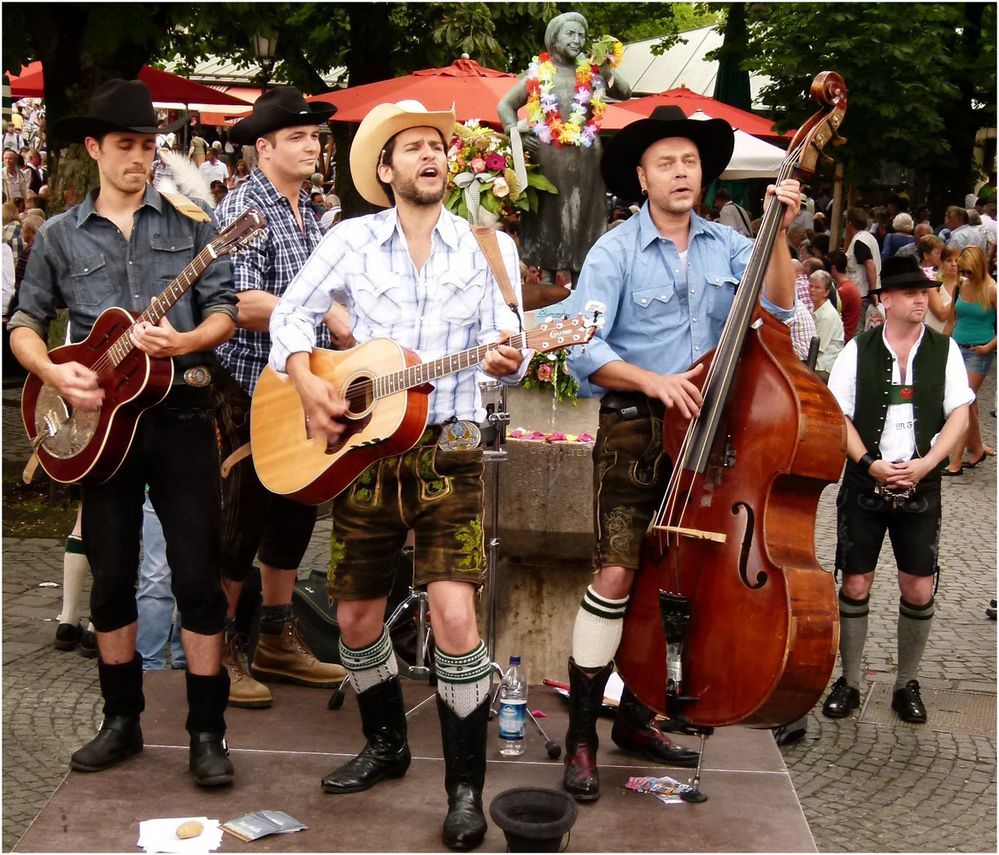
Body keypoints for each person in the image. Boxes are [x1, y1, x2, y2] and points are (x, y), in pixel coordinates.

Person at [268, 100, 527, 851]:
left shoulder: (487, 246)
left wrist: (512, 355)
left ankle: (465, 787)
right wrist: (305, 379)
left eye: (436, 148)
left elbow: (508, 343)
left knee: (453, 616)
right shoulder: (349, 239)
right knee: (353, 619)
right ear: (385, 170)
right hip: (363, 453)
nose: (428, 157)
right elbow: (291, 315)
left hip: (447, 446)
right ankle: (386, 743)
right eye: (412, 148)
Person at [563, 105, 802, 801]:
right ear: (640, 176)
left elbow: (779, 312)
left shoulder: (729, 243)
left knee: (690, 573)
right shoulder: (613, 250)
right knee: (616, 570)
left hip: (714, 436)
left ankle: (636, 718)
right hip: (638, 427)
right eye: (665, 162)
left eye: (689, 162)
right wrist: (654, 381)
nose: (679, 172)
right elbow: (584, 346)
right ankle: (581, 732)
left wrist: (775, 232)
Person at [7, 79, 237, 786]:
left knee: (198, 575)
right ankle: (121, 719)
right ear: (94, 150)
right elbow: (22, 323)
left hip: (182, 418)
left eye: (148, 146)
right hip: (99, 429)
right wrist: (56, 371)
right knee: (111, 578)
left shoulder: (193, 222)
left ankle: (206, 731)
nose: (140, 158)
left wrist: (186, 338)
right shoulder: (57, 235)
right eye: (127, 146)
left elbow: (225, 309)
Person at [212, 86, 348, 710]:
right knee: (239, 522)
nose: (312, 145)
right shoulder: (246, 206)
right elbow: (239, 304)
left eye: (315, 136)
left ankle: (274, 637)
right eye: (297, 136)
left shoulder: (310, 212)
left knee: (295, 512)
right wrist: (316, 311)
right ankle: (219, 650)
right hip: (244, 388)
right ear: (262, 147)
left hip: (299, 387)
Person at [820, 255, 973, 724]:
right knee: (856, 581)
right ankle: (849, 682)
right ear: (884, 301)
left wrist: (929, 463)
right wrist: (869, 462)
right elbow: (838, 415)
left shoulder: (944, 351)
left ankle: (907, 682)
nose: (920, 300)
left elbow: (961, 413)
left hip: (921, 484)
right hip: (866, 481)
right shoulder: (857, 349)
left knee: (920, 586)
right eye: (909, 293)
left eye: (923, 293)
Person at [497, 11, 631, 284]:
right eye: (570, 34)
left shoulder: (592, 70)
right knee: (550, 218)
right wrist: (517, 134)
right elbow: (505, 106)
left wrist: (607, 69)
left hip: (588, 161)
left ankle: (583, 282)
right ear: (553, 38)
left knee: (585, 219)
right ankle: (546, 284)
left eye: (581, 35)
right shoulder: (539, 74)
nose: (577, 40)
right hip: (549, 160)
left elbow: (625, 92)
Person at [943, 245, 997, 475]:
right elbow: (951, 319)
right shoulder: (960, 286)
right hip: (957, 346)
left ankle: (955, 461)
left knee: (962, 400)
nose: (965, 275)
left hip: (979, 351)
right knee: (970, 402)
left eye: (968, 271)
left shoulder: (992, 289)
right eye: (962, 271)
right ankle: (977, 449)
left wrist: (988, 347)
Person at [808, 270, 844, 381]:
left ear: (826, 292)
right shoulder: (813, 308)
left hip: (823, 368)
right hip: (815, 361)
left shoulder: (827, 315)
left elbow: (817, 348)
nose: (812, 290)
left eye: (817, 287)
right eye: (811, 286)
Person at [844, 206, 881, 309]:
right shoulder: (870, 237)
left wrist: (872, 292)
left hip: (863, 295)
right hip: (867, 293)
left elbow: (870, 265)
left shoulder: (859, 241)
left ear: (849, 222)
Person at [829, 250, 862, 342]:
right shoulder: (848, 286)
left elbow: (832, 313)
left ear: (833, 268)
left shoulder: (844, 290)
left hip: (843, 338)